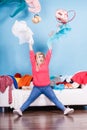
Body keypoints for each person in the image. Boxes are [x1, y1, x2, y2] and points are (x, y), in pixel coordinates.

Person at [13, 42, 74, 116]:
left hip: (47, 87)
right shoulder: (34, 64)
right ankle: (20, 110)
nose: (41, 58)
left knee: (55, 99)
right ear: (36, 59)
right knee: (29, 100)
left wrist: (51, 44)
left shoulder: (46, 63)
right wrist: (30, 44)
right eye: (39, 57)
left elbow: (49, 54)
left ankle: (65, 110)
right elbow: (31, 54)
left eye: (42, 57)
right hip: (37, 88)